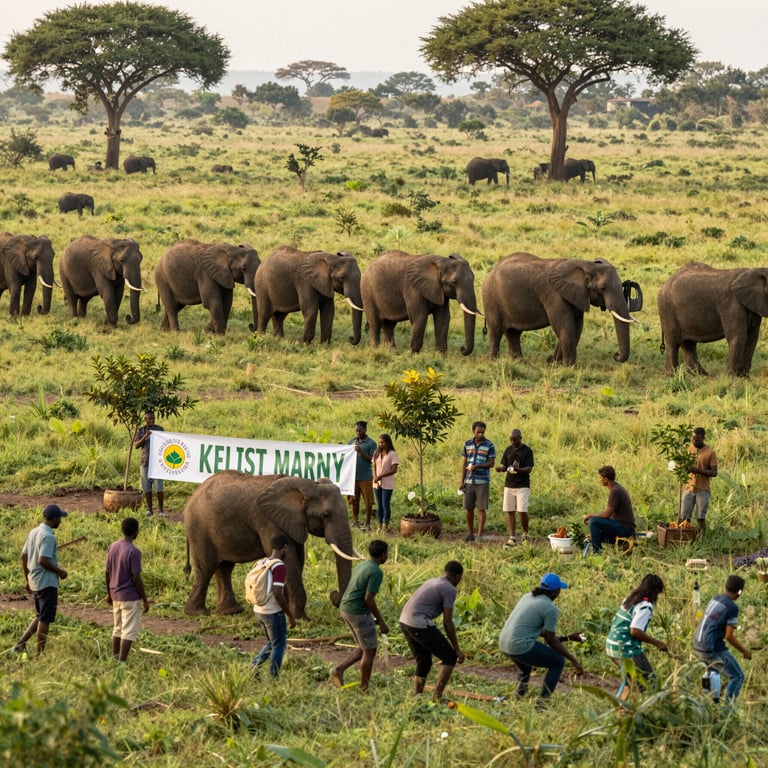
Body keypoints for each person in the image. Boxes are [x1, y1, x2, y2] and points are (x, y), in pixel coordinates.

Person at [499, 573, 584, 705]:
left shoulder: (527, 597)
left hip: (504, 643)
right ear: (556, 591)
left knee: (525, 668)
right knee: (558, 662)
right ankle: (542, 704)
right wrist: (574, 661)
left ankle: (519, 697)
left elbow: (539, 631)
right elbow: (550, 640)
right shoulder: (550, 608)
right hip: (519, 646)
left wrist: (567, 637)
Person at [399, 560, 465, 703]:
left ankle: (417, 697)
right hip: (418, 622)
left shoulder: (434, 581)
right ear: (457, 576)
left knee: (424, 661)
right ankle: (437, 697)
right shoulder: (449, 589)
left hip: (404, 621)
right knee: (449, 657)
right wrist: (457, 649)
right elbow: (448, 622)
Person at [330, 539, 389, 692]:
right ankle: (364, 688)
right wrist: (381, 621)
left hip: (346, 608)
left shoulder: (363, 564)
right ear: (383, 555)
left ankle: (339, 670)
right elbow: (368, 599)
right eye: (386, 553)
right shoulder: (376, 571)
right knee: (370, 651)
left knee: (364, 647)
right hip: (357, 611)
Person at [13, 504, 69, 656]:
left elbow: (24, 556)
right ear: (55, 519)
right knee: (45, 619)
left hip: (35, 581)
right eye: (60, 518)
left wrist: (27, 579)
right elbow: (43, 560)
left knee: (40, 616)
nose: (61, 521)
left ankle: (19, 645)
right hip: (46, 582)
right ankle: (40, 655)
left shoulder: (34, 532)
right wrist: (60, 572)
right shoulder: (48, 536)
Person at [605, 574, 667, 697]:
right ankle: (647, 711)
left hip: (612, 646)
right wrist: (657, 643)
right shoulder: (645, 606)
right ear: (654, 592)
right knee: (649, 684)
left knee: (629, 682)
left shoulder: (630, 599)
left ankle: (621, 709)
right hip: (626, 649)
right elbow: (635, 630)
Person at [694, 575, 751, 703]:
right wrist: (744, 651)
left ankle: (706, 704)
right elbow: (729, 636)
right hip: (711, 647)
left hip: (698, 644)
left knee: (711, 671)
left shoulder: (715, 599)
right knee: (737, 676)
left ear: (726, 587)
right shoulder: (732, 607)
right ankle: (728, 712)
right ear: (739, 592)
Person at [105, 517, 150, 663]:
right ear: (136, 533)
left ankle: (114, 657)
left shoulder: (113, 547)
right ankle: (121, 662)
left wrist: (109, 593)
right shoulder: (134, 552)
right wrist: (144, 599)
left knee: (117, 628)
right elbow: (136, 578)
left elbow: (107, 572)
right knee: (129, 631)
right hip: (130, 596)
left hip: (115, 594)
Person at [251, 535, 296, 678]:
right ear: (285, 548)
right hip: (273, 612)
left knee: (271, 643)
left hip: (259, 610)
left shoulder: (262, 562)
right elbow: (278, 592)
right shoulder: (279, 566)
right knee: (279, 645)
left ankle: (253, 668)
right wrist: (289, 614)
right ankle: (273, 677)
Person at [583, 466, 635, 553]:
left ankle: (597, 552)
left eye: (600, 478)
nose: (599, 480)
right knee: (595, 529)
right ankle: (622, 543)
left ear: (606, 479)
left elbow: (606, 515)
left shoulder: (615, 491)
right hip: (625, 526)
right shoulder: (617, 488)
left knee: (593, 521)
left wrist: (590, 515)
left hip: (624, 528)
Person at [496, 428, 534, 546]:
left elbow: (529, 468)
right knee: (510, 510)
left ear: (520, 438)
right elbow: (505, 466)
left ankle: (525, 533)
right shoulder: (508, 450)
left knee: (522, 511)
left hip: (522, 485)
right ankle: (512, 536)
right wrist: (501, 469)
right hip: (509, 484)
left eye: (515, 440)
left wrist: (517, 469)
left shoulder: (527, 451)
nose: (512, 442)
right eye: (511, 440)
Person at [459, 421, 496, 542]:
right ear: (473, 431)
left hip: (482, 481)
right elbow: (464, 462)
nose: (480, 434)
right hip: (469, 480)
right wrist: (462, 481)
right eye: (478, 432)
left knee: (481, 508)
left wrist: (478, 466)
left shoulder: (489, 445)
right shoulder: (467, 444)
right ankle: (470, 533)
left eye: (482, 432)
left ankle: (479, 534)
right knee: (469, 508)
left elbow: (491, 463)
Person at [680, 427, 718, 533]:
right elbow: (684, 467)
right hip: (689, 487)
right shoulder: (689, 449)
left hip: (703, 489)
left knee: (700, 517)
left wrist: (698, 470)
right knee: (684, 516)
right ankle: (683, 537)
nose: (694, 442)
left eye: (697, 440)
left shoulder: (710, 452)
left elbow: (714, 472)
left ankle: (701, 538)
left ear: (703, 438)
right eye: (693, 439)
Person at [134, 411, 165, 517]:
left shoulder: (159, 429)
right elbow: (136, 445)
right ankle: (150, 510)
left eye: (153, 418)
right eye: (150, 419)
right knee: (146, 487)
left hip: (157, 463)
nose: (152, 420)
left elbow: (166, 442)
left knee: (159, 487)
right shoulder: (141, 430)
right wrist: (145, 436)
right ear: (145, 419)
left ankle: (161, 510)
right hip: (145, 461)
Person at [347, 420, 377, 531]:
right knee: (354, 501)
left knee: (368, 502)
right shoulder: (352, 441)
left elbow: (372, 459)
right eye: (356, 431)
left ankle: (367, 524)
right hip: (353, 477)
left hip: (366, 477)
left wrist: (360, 452)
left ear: (365, 430)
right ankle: (355, 521)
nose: (358, 432)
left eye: (360, 430)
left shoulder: (371, 443)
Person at [373, 433, 399, 533]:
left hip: (387, 484)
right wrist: (375, 476)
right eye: (379, 442)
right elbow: (374, 466)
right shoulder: (376, 453)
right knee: (379, 505)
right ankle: (379, 525)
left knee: (385, 505)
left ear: (387, 442)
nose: (381, 444)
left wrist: (381, 476)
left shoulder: (392, 454)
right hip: (376, 483)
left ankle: (385, 525)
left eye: (383, 442)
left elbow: (394, 469)